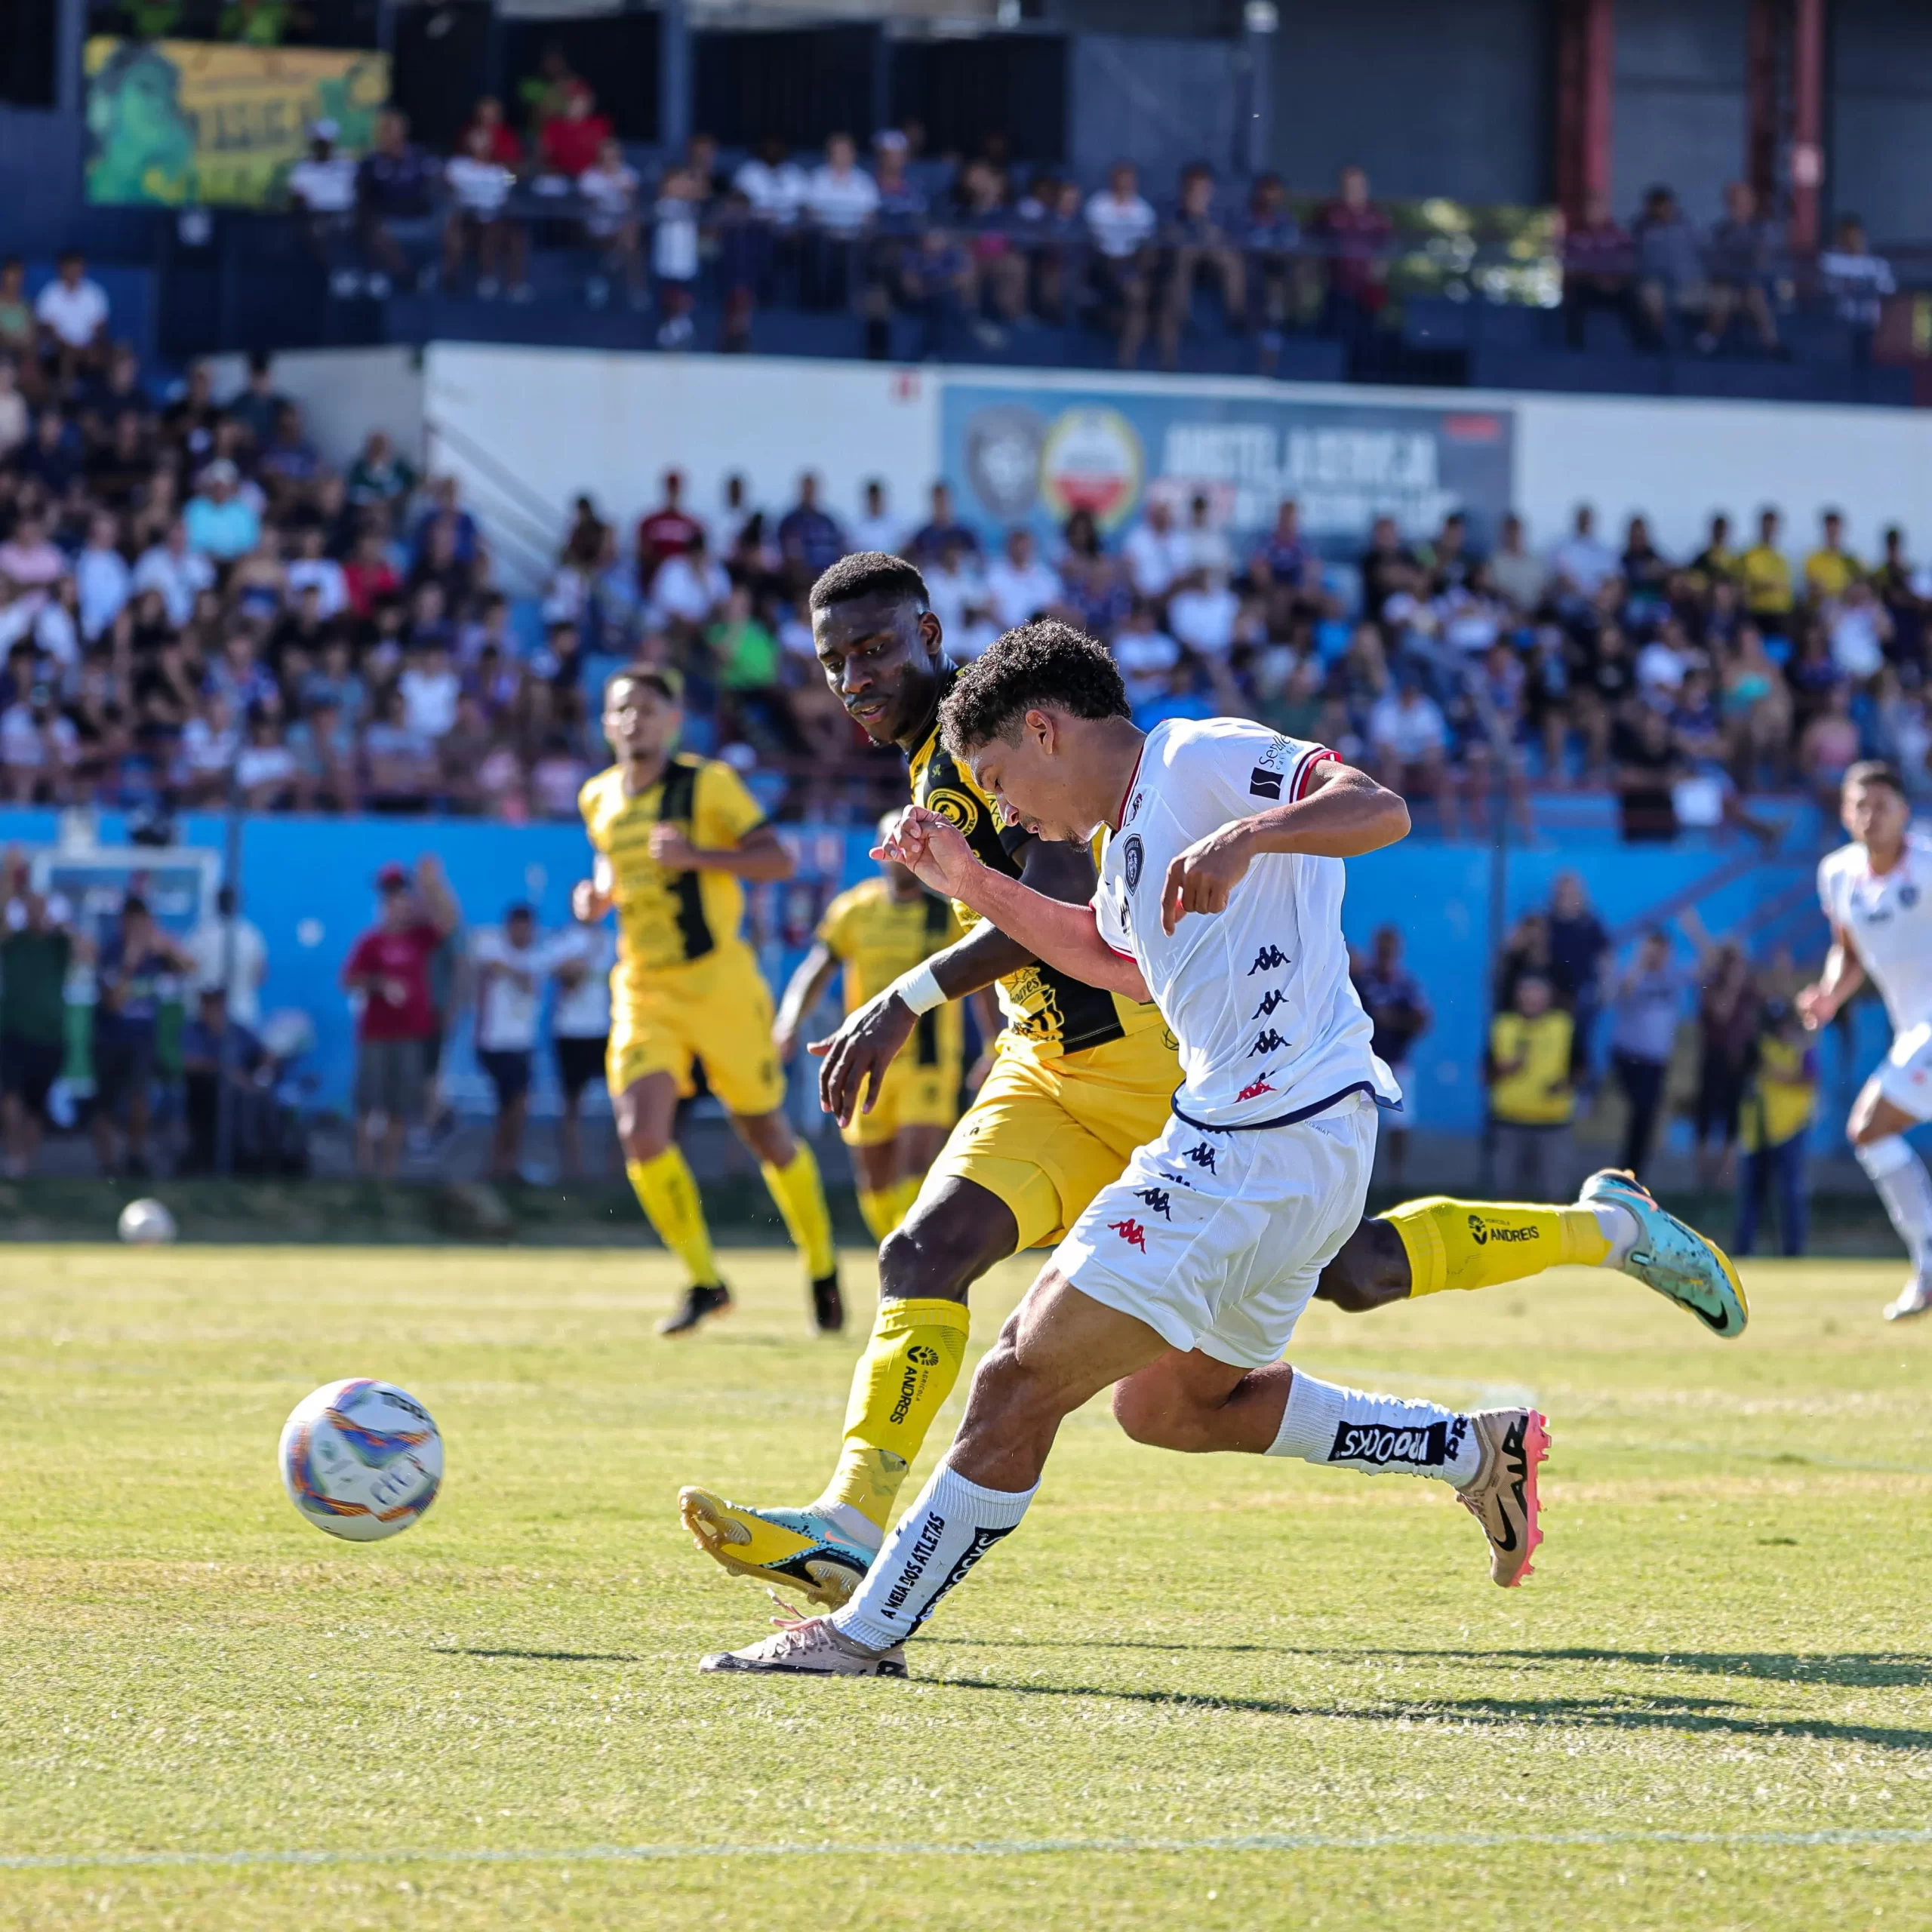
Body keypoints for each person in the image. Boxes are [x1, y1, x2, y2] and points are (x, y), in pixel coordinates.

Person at [678, 563, 1745, 1619]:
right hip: (1045, 1067)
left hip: (1167, 1074)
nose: (853, 679)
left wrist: (909, 990)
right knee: (970, 1280)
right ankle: (851, 1527)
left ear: (928, 633)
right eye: (833, 664)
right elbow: (1096, 935)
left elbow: (1114, 883)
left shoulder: (1094, 751)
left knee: (1349, 1275)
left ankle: (1603, 1231)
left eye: (871, 652)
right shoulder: (972, 765)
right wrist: (959, 899)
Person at [572, 665, 841, 1335]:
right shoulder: (597, 797)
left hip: (720, 982)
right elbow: (613, 857)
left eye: (645, 708)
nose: (632, 719)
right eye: (620, 710)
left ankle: (822, 1265)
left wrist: (698, 858)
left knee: (765, 1133)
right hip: (643, 987)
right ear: (606, 724)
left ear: (672, 721)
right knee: (642, 1132)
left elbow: (776, 861)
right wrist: (598, 893)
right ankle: (704, 1280)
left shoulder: (708, 785)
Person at [774, 817, 974, 1244]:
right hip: (867, 1059)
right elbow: (817, 968)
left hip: (929, 1060)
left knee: (917, 1161)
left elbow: (980, 981)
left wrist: (995, 1043)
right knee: (874, 1176)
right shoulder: (855, 910)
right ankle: (898, 1253)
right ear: (882, 853)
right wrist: (789, 1022)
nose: (903, 852)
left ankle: (919, 1258)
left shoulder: (947, 915)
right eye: (894, 843)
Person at [1799, 761, 1932, 1318]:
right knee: (1871, 1133)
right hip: (1914, 1031)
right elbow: (1849, 951)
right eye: (1861, 805)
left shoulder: (1927, 866)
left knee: (1870, 1126)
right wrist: (1830, 994)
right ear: (1845, 813)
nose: (1871, 815)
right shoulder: (1837, 873)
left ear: (1905, 812)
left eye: (1883, 804)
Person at [341, 857, 459, 1177]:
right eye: (392, 901)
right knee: (368, 1105)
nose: (399, 907)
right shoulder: (371, 941)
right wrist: (379, 984)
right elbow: (348, 980)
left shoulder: (419, 938)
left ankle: (388, 1174)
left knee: (399, 1108)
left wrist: (435, 883)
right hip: (376, 1035)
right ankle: (364, 1171)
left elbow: (450, 922)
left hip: (411, 1034)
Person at [92, 894, 189, 1178]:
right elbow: (114, 1001)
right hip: (109, 1039)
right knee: (105, 1105)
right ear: (123, 922)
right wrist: (130, 961)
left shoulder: (155, 954)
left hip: (142, 1041)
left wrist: (169, 948)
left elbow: (191, 969)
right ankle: (107, 1164)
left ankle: (135, 1154)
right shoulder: (111, 952)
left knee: (140, 1098)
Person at [0, 868, 72, 1177]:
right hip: (14, 1033)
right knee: (10, 1094)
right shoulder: (13, 942)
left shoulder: (58, 945)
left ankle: (26, 1166)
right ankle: (13, 1155)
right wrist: (9, 879)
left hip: (50, 1037)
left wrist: (59, 923)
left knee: (35, 1105)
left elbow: (83, 947)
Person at [1734, 999, 1816, 1260]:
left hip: (1791, 1128)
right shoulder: (1760, 1048)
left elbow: (1809, 1079)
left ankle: (1793, 1251)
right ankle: (1744, 1249)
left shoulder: (1802, 1050)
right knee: (1752, 1195)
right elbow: (1742, 1065)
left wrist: (1777, 1073)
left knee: (1791, 1193)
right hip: (1758, 1131)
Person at [1487, 974, 1580, 1198]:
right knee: (1506, 1194)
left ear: (1548, 998)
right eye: (1527, 994)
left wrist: (1563, 1084)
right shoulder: (1503, 1026)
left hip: (1552, 1123)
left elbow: (1582, 1068)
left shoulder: (1563, 1026)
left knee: (1554, 1194)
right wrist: (1504, 1069)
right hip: (1509, 1121)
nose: (1532, 1000)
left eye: (1538, 994)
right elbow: (1485, 1073)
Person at [471, 903, 543, 1182]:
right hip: (494, 1043)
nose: (522, 934)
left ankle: (506, 1164)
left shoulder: (538, 956)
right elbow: (487, 962)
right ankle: (501, 1164)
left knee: (516, 1105)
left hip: (522, 1044)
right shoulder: (493, 949)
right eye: (518, 927)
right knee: (513, 1103)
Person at [1351, 924, 1429, 1185]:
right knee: (1356, 1117)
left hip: (1396, 1061)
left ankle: (1397, 1178)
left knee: (1399, 1121)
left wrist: (1392, 1020)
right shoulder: (1361, 980)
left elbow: (1422, 1021)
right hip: (1362, 1061)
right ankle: (1358, 1178)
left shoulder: (1405, 984)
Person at [543, 900, 614, 1180]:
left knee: (622, 1100)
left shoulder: (613, 941)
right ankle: (573, 1171)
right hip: (571, 1031)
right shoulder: (563, 939)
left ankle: (617, 1170)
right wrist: (583, 958)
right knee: (572, 1102)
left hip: (606, 1030)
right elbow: (567, 979)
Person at [1607, 927, 1683, 1179]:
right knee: (1641, 1109)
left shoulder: (1672, 977)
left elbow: (1709, 965)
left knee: (1646, 1116)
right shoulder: (1633, 975)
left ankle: (1632, 1173)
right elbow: (1626, 989)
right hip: (1628, 1057)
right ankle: (1626, 1171)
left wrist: (1693, 927)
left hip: (1656, 1061)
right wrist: (1642, 959)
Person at [181, 884, 266, 1029]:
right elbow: (260, 976)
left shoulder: (200, 934)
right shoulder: (250, 936)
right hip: (240, 1014)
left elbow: (185, 967)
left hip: (205, 1016)